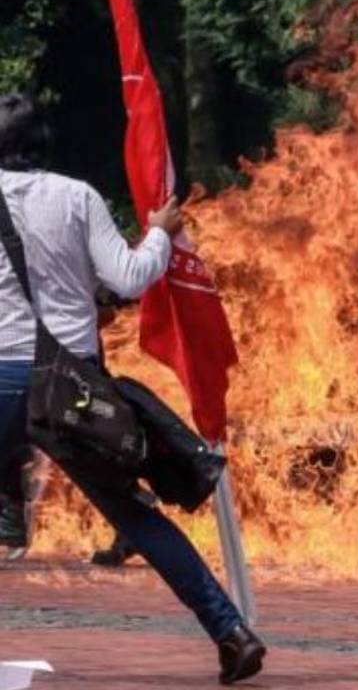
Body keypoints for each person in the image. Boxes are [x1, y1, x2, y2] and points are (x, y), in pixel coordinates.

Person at [0, 93, 265, 684]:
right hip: (74, 385)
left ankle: (9, 501)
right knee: (136, 518)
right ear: (43, 144)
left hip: (1, 377)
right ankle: (231, 632)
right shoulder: (77, 197)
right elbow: (129, 279)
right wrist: (160, 234)